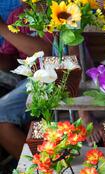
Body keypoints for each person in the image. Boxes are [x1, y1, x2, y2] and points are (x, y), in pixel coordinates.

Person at [0, 5, 53, 161]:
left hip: (55, 76)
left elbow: (46, 52)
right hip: (27, 81)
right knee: (4, 124)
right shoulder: (17, 16)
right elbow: (10, 61)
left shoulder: (57, 11)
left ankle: (40, 172)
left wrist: (2, 28)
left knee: (4, 115)